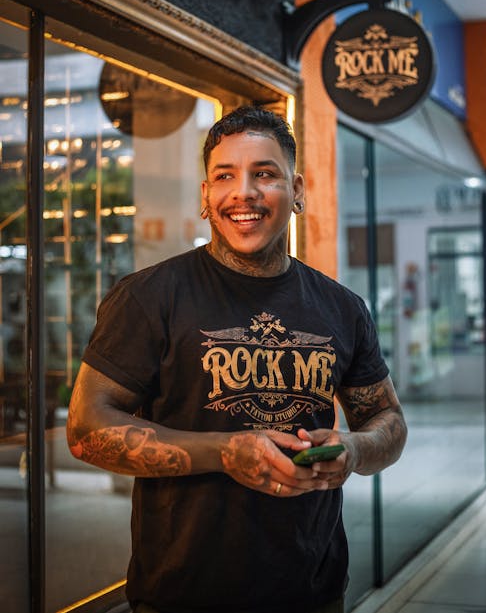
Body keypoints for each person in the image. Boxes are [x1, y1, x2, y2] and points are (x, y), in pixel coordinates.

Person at [67, 106, 407, 613]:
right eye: (225, 175)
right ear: (206, 197)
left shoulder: (342, 308)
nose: (243, 192)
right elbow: (84, 427)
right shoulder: (150, 297)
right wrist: (227, 451)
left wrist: (354, 449)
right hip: (181, 593)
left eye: (264, 174)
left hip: (312, 590)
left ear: (296, 190)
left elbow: (389, 422)